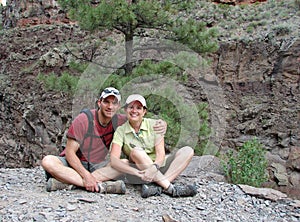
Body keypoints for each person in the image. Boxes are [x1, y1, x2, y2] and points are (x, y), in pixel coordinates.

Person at [41, 87, 167, 194]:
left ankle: (71, 183)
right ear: (99, 103)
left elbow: (139, 118)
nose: (110, 106)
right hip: (74, 164)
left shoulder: (120, 121)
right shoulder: (84, 120)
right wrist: (86, 176)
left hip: (98, 166)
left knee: (123, 162)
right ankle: (99, 186)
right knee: (48, 161)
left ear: (118, 106)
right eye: (106, 102)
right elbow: (69, 153)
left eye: (114, 103)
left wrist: (163, 124)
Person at [110, 94, 197, 198]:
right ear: (125, 110)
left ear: (144, 111)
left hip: (158, 167)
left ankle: (158, 187)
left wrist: (154, 167)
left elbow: (161, 154)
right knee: (136, 151)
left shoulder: (155, 125)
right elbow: (114, 160)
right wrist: (137, 171)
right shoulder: (121, 130)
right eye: (131, 107)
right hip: (139, 172)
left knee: (187, 150)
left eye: (139, 108)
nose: (134, 111)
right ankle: (171, 189)